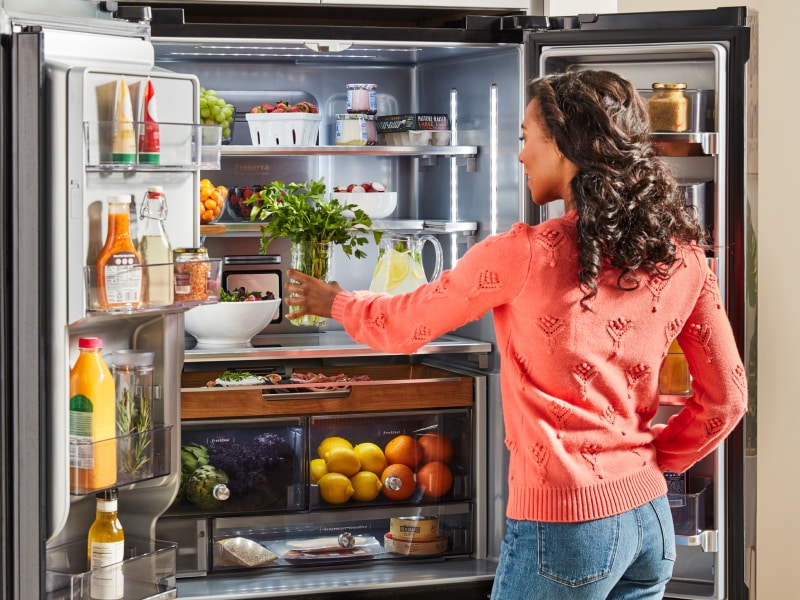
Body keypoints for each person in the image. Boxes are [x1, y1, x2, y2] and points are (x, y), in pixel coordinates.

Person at [284, 70, 748, 599]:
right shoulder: (683, 253)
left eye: (527, 138)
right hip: (651, 519)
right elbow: (728, 399)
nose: (521, 155)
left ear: (566, 145)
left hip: (566, 525)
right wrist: (654, 462)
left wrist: (336, 302)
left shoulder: (523, 253)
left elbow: (405, 326)